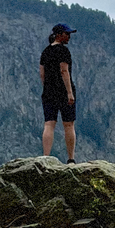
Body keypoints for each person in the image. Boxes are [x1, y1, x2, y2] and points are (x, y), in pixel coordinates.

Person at [38, 22, 77, 163]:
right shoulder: (63, 51)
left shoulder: (45, 52)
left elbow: (42, 73)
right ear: (59, 35)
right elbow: (64, 71)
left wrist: (46, 88)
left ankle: (46, 157)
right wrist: (69, 92)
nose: (69, 37)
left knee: (49, 124)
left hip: (48, 91)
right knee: (68, 124)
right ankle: (71, 158)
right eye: (67, 34)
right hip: (63, 91)